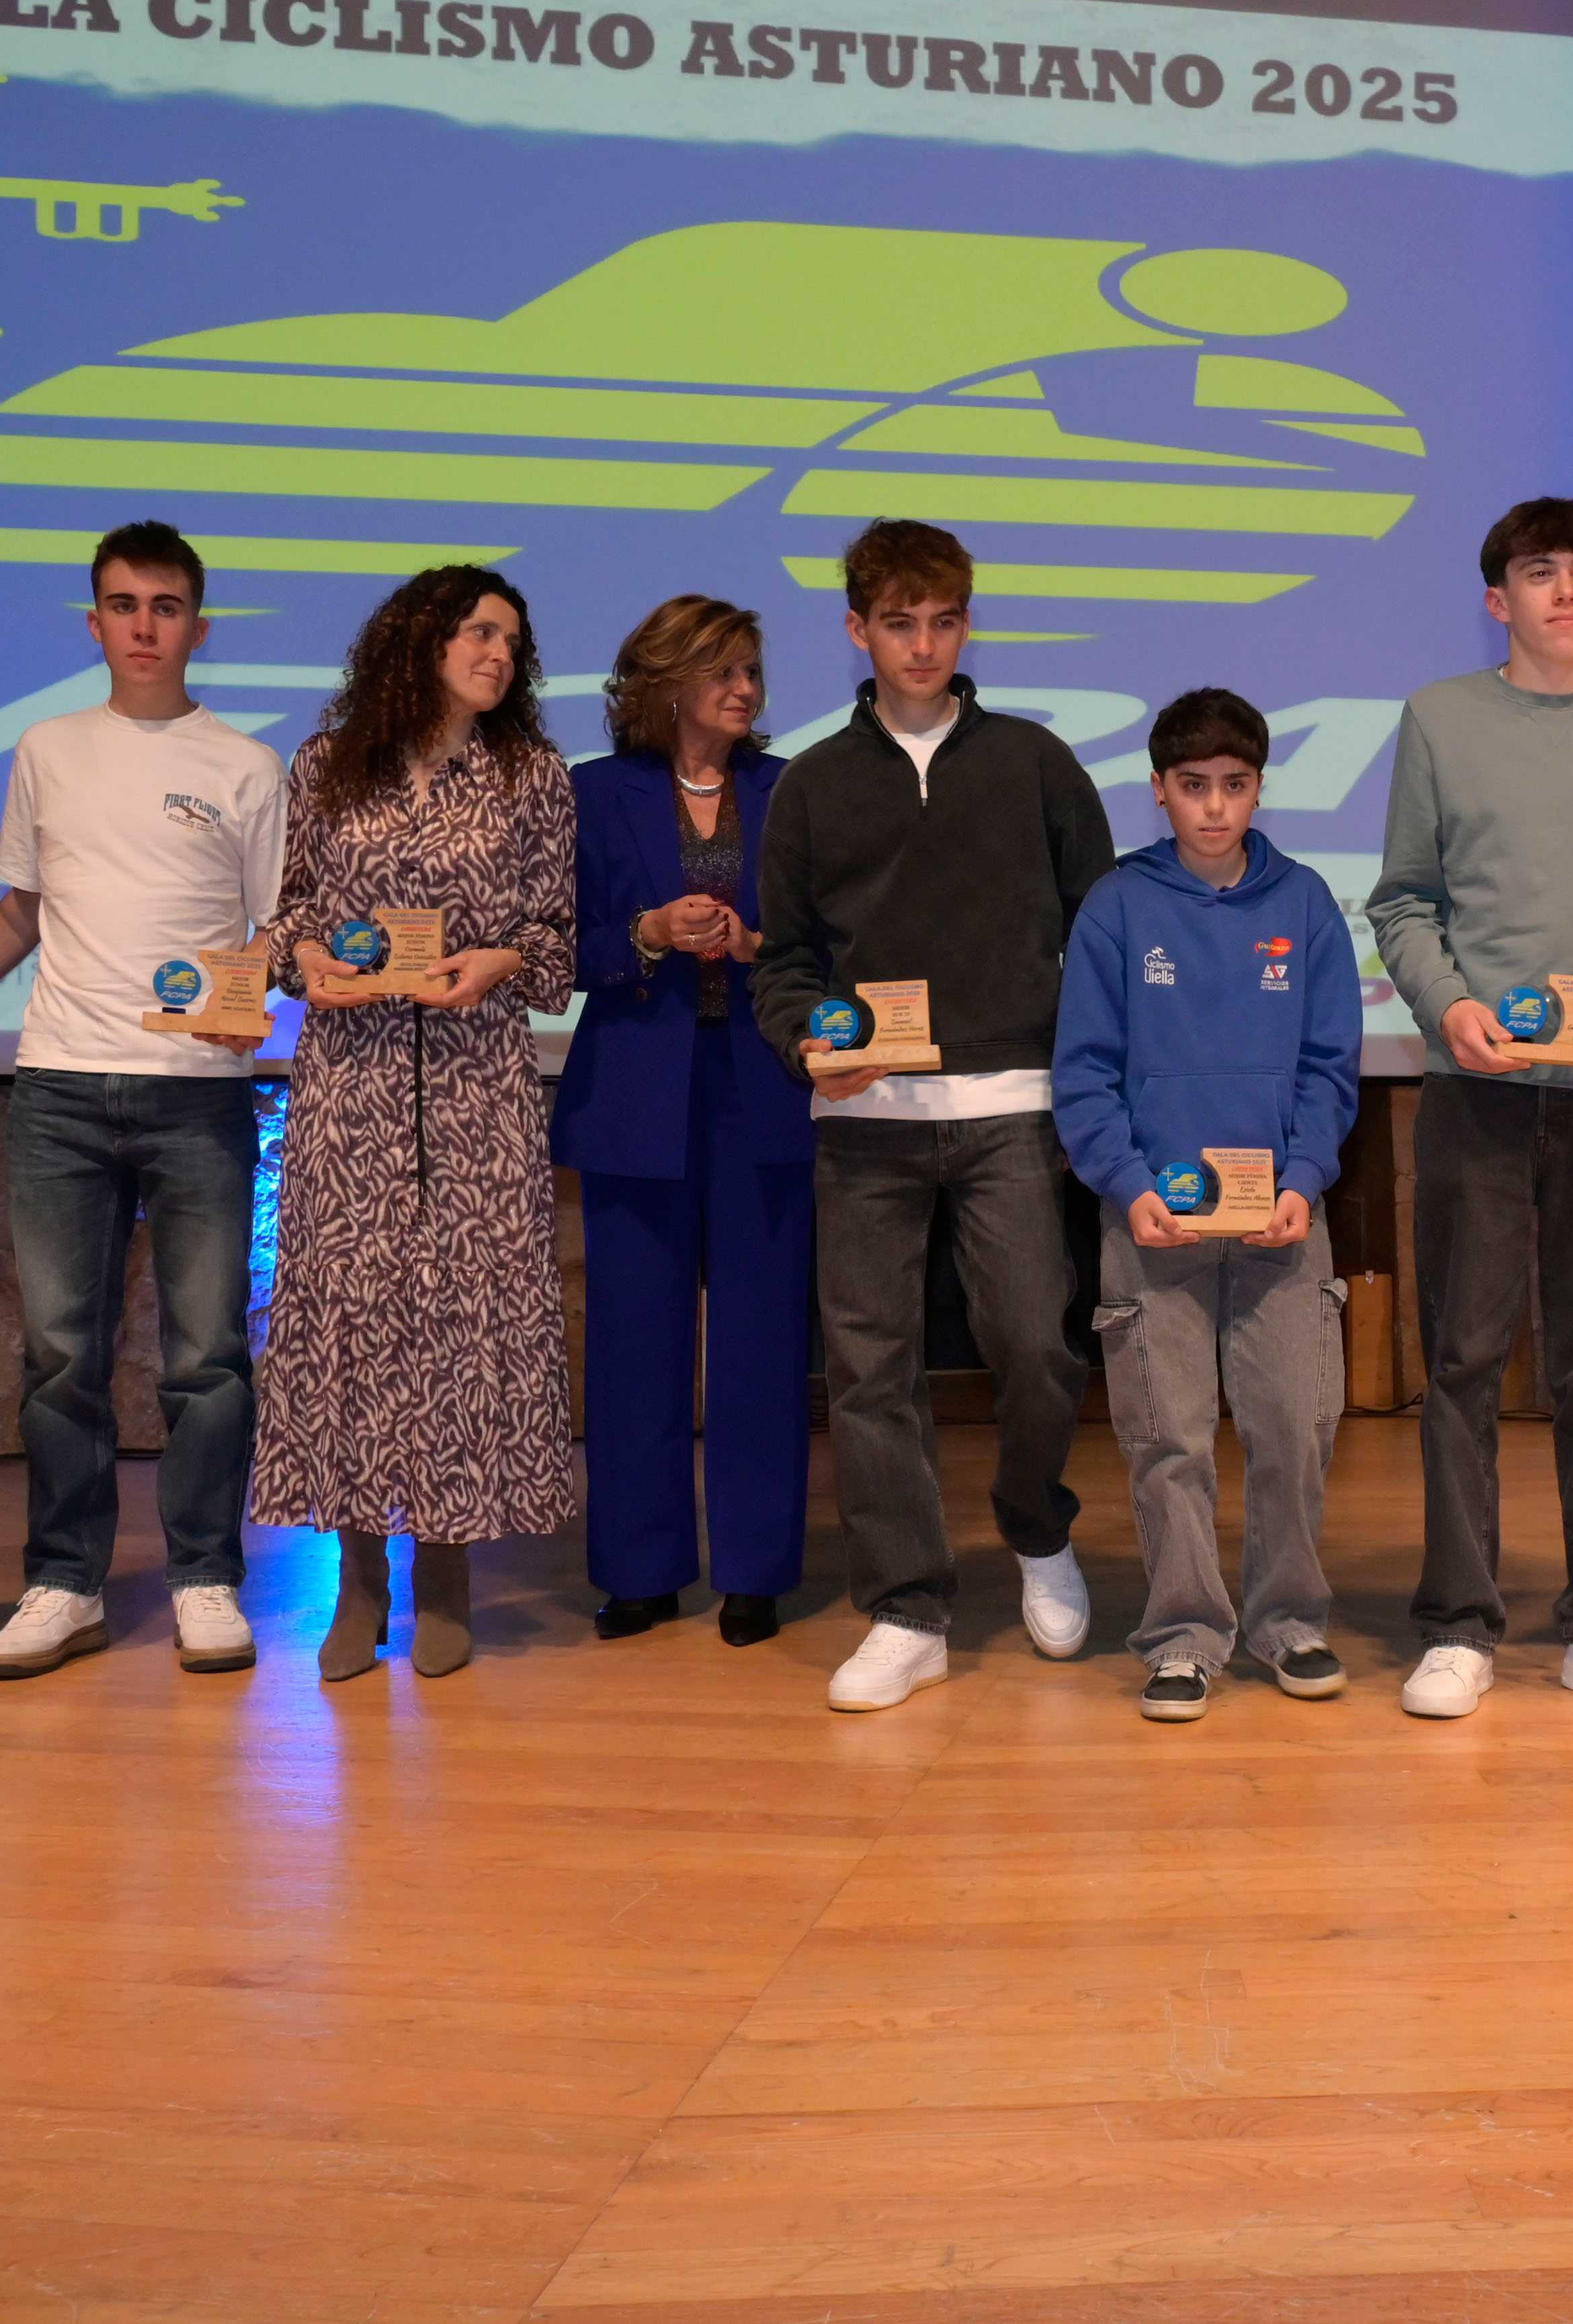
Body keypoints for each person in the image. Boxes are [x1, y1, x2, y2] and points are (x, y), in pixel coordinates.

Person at [753, 519, 1115, 1714]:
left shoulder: (1033, 762)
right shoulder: (812, 783)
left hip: (1015, 1109)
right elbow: (788, 962)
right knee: (868, 1371)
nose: (923, 644)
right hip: (863, 1120)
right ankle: (906, 1607)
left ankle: (1034, 1527)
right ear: (857, 631)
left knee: (1038, 1346)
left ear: (966, 626)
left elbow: (1101, 931)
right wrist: (807, 1036)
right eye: (898, 623)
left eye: (943, 621)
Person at [1367, 496, 1573, 1723]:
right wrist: (1447, 1008)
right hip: (1478, 1092)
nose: (1564, 592)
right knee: (1458, 1361)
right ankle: (1457, 1622)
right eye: (1538, 573)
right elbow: (1402, 901)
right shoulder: (1440, 719)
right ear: (1496, 599)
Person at [0, 521, 283, 1682]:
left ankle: (204, 1578)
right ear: (92, 621)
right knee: (59, 1356)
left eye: (165, 605)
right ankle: (64, 1583)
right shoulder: (46, 747)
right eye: (123, 604)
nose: (144, 625)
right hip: (56, 1091)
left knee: (205, 1356)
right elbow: (21, 911)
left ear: (198, 623)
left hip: (198, 1095)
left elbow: (269, 934)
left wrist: (253, 998)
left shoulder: (247, 765)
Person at [258, 566, 579, 1680]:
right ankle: (357, 1585)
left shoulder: (531, 775)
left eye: (511, 640)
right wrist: (301, 958)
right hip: (348, 1089)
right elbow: (290, 912)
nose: (498, 654)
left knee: (462, 1327)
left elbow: (556, 942)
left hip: (478, 1086)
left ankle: (445, 1574)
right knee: (349, 1324)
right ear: (419, 641)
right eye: (478, 633)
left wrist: (498, 960)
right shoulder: (326, 765)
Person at [1052, 688, 1365, 1720]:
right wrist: (1129, 1187)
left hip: (1281, 1217)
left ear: (1258, 788)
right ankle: (1183, 1635)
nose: (1215, 808)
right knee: (1168, 1437)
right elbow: (1085, 1073)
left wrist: (1303, 1177)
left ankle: (1289, 1621)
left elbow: (1329, 1066)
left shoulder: (1307, 903)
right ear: (1159, 791)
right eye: (1193, 787)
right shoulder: (1117, 906)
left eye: (1234, 786)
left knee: (1291, 1425)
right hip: (1154, 1223)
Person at [552, 595, 815, 1650]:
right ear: (664, 684)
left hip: (760, 1089)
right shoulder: (591, 795)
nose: (745, 689)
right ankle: (639, 1569)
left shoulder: (790, 791)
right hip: (632, 1097)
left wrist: (764, 950)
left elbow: (831, 935)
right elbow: (550, 948)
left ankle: (755, 1569)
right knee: (632, 1342)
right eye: (722, 671)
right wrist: (643, 934)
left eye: (751, 669)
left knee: (760, 1342)